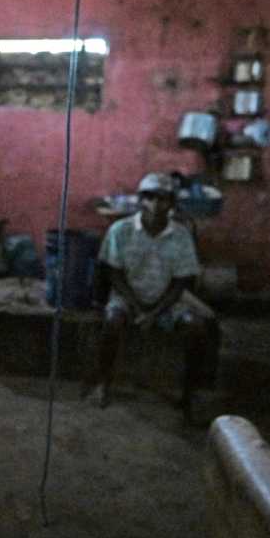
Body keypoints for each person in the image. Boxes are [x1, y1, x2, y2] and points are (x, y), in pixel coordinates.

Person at [85, 172, 217, 424]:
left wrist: (155, 312)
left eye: (163, 199)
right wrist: (136, 306)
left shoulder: (180, 235)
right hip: (129, 295)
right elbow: (114, 273)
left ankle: (191, 395)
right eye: (149, 198)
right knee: (112, 319)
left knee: (197, 327)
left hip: (167, 300)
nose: (156, 205)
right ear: (140, 200)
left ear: (172, 203)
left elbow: (181, 282)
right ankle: (103, 383)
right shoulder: (120, 230)